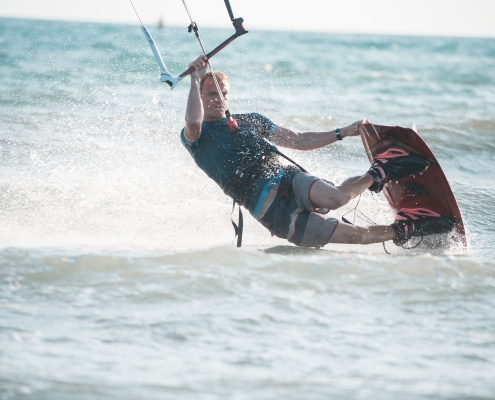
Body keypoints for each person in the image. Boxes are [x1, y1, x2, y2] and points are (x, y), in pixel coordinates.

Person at [181, 55, 454, 248]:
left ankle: (383, 168)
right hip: (273, 214)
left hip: (287, 180)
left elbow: (299, 140)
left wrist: (342, 132)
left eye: (223, 93)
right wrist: (195, 80)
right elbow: (193, 121)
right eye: (211, 95)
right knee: (358, 237)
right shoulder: (196, 137)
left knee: (335, 197)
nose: (219, 99)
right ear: (201, 98)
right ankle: (409, 228)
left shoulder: (250, 120)